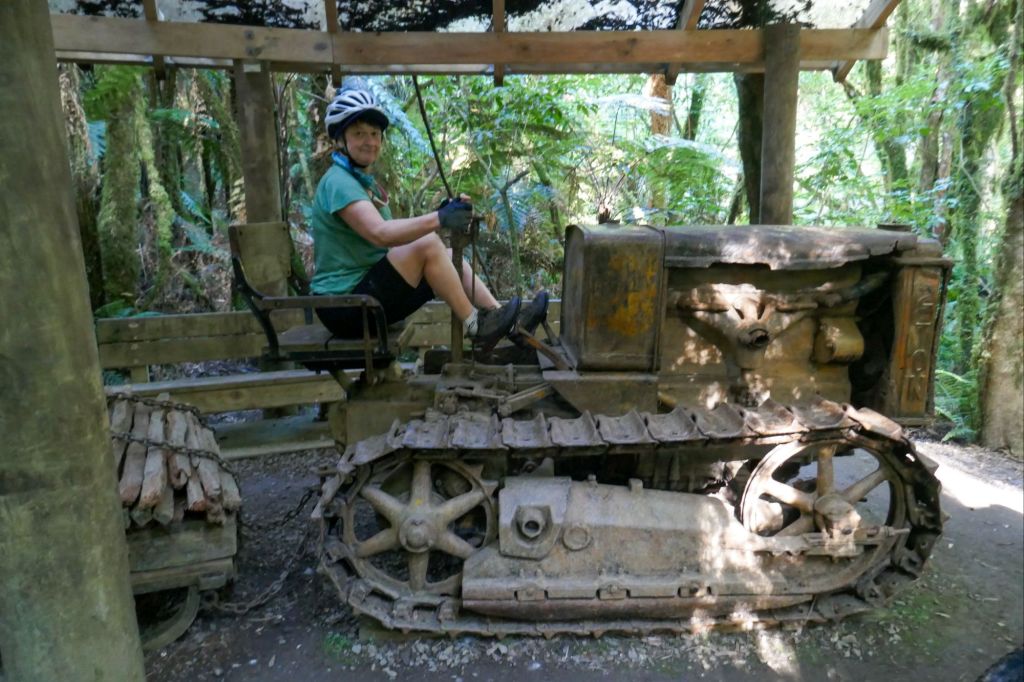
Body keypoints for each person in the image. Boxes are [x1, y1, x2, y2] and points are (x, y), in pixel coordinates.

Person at [309, 84, 546, 351]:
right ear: (340, 139)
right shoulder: (339, 182)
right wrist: (440, 218)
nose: (370, 141)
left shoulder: (361, 182)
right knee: (429, 244)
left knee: (448, 255)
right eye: (359, 133)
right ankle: (477, 326)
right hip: (344, 307)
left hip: (364, 298)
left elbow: (394, 235)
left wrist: (443, 213)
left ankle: (506, 322)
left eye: (375, 134)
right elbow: (381, 233)